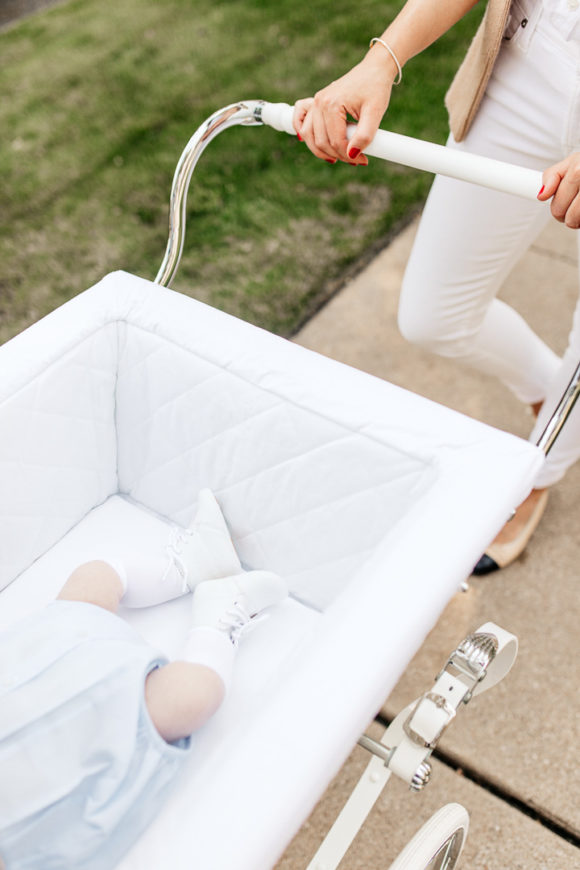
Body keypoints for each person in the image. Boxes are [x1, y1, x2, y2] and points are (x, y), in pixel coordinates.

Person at [293, 0, 580, 574]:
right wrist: (382, 58)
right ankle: (562, 406)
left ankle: (538, 471)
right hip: (531, 57)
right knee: (434, 313)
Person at [0, 489, 287, 870]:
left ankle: (193, 563)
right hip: (89, 746)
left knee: (95, 574)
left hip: (36, 667)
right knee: (192, 697)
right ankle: (218, 620)